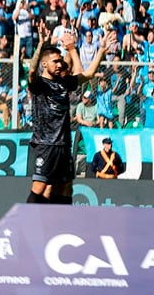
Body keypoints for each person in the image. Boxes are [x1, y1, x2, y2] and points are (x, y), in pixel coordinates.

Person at [27, 22, 116, 204]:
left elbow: (88, 73)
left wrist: (100, 50)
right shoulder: (39, 84)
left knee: (65, 188)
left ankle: (58, 227)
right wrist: (41, 44)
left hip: (64, 144)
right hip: (46, 144)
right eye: (55, 61)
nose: (60, 64)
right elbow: (32, 70)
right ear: (45, 64)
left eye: (61, 61)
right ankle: (24, 227)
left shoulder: (63, 83)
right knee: (40, 188)